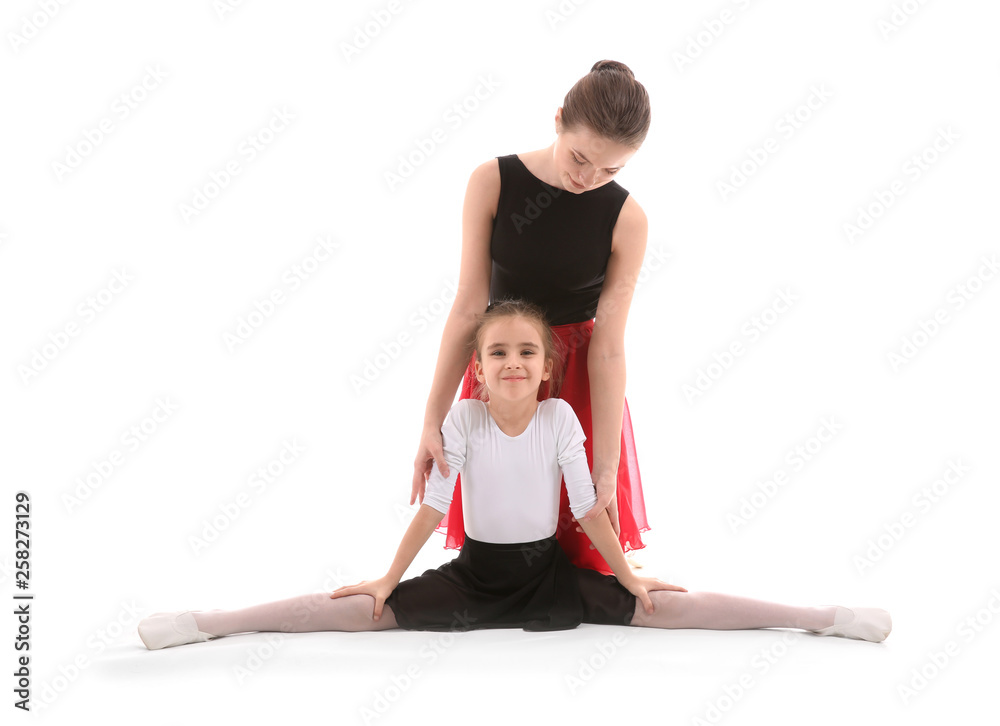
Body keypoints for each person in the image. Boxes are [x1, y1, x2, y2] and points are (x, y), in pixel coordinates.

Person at [137, 300, 891, 649]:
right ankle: (210, 623)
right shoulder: (464, 421)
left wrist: (628, 575)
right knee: (357, 610)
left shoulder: (560, 419)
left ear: (547, 367)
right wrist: (387, 578)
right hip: (475, 578)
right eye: (497, 352)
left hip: (547, 576)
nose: (513, 363)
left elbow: (589, 507)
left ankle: (822, 617)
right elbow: (434, 508)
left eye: (527, 352)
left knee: (666, 606)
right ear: (478, 367)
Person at [412, 59, 655, 576]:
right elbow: (469, 308)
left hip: (578, 379)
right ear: (559, 118)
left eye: (611, 171)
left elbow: (609, 347)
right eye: (580, 157)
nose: (588, 179)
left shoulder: (628, 220)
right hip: (505, 368)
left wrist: (606, 466)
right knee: (504, 547)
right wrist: (432, 420)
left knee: (584, 563)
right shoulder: (492, 181)